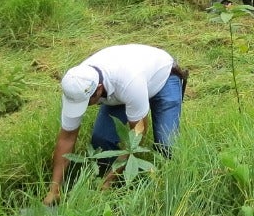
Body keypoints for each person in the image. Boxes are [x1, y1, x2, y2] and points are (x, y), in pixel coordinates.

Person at [45, 43, 187, 205]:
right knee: (101, 141)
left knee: (167, 146)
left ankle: (167, 190)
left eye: (87, 102)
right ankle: (103, 180)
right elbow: (67, 138)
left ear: (98, 90)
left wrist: (110, 180)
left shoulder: (127, 82)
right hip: (127, 86)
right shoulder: (76, 86)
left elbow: (138, 132)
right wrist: (54, 189)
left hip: (163, 77)